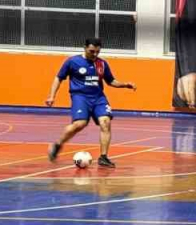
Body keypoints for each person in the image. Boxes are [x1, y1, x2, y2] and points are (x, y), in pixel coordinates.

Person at [44, 38, 136, 168]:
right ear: (85, 47)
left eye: (97, 52)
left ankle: (103, 157)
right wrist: (51, 96)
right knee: (80, 124)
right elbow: (59, 78)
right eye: (92, 51)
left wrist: (125, 84)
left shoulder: (102, 64)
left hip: (98, 98)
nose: (94, 54)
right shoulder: (72, 61)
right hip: (80, 97)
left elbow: (110, 81)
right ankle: (57, 145)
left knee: (105, 121)